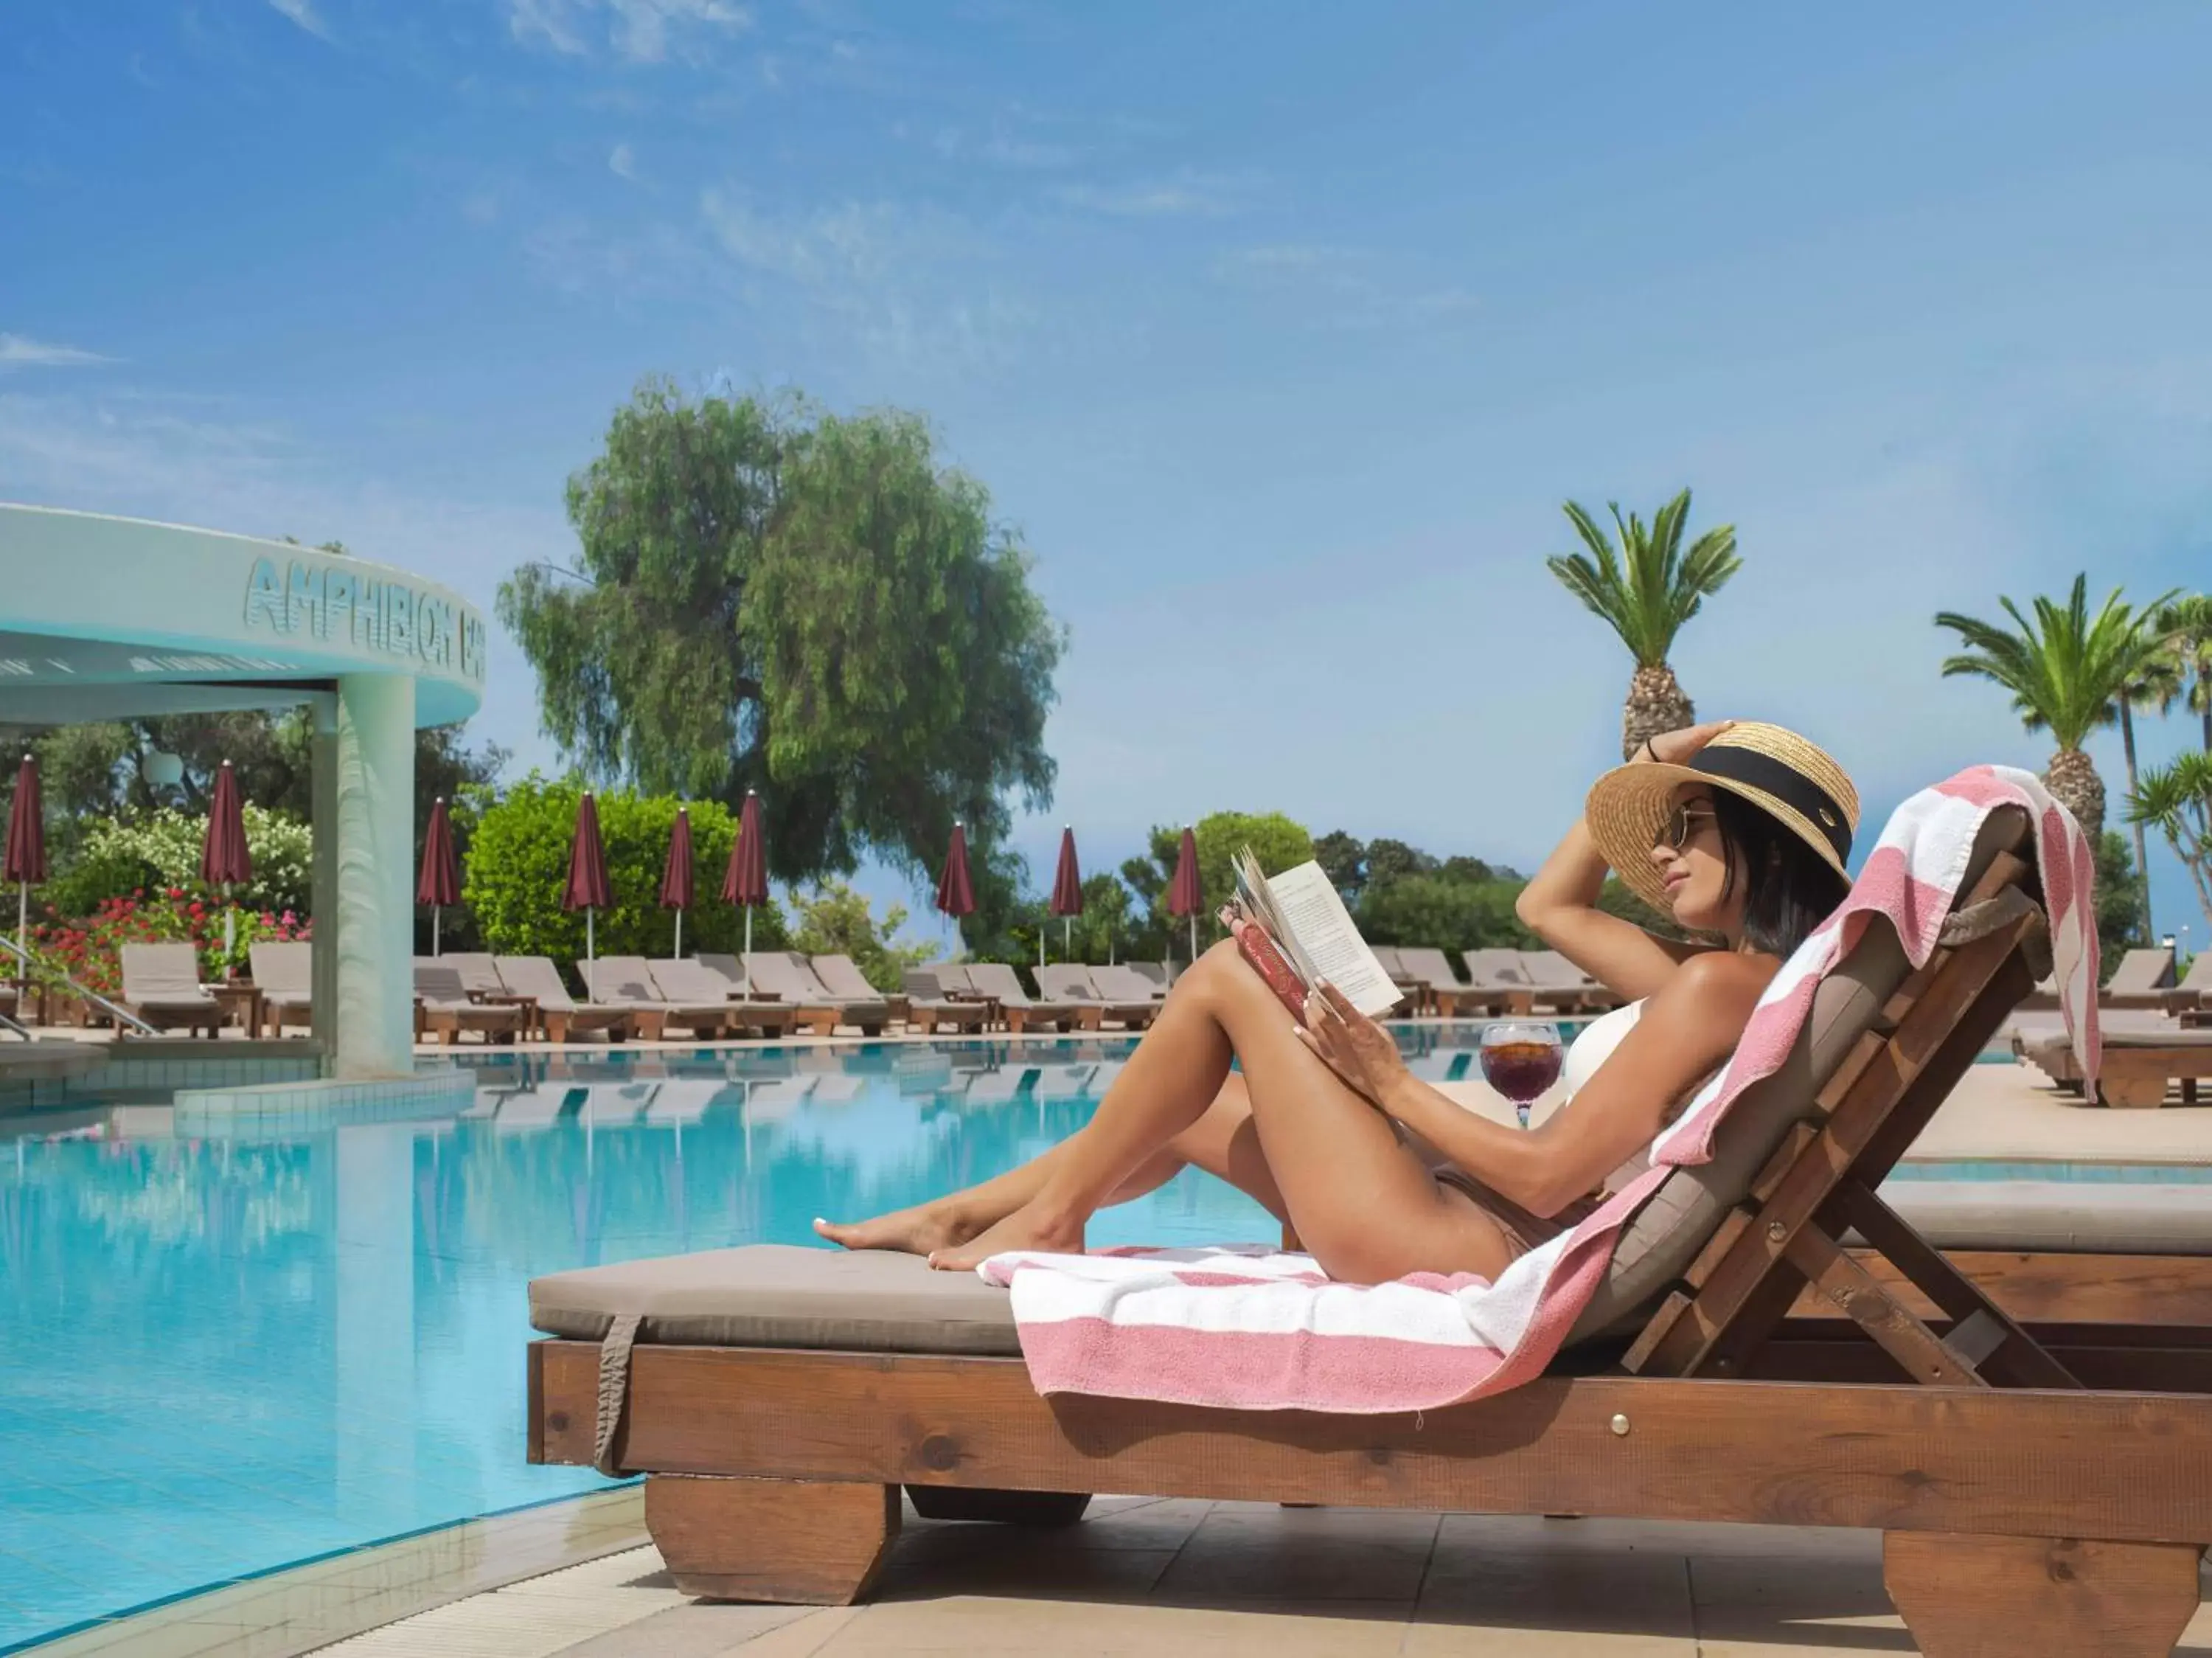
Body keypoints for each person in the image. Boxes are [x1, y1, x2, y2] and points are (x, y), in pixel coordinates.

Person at [817, 721, 1859, 1284]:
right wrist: (1652, 766)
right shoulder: (1717, 982)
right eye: (1664, 827)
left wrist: (1388, 1084)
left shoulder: (1721, 987)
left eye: (1694, 826)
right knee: (1203, 1110)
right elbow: (1545, 904)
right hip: (1460, 1210)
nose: (1665, 851)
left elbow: (1547, 1179)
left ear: (1767, 846)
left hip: (1472, 1240)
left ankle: (1048, 1219)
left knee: (1226, 977)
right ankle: (973, 1208)